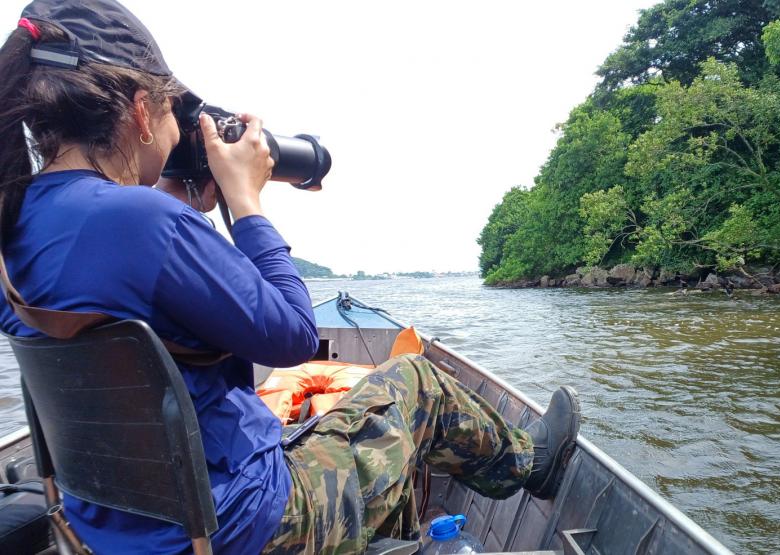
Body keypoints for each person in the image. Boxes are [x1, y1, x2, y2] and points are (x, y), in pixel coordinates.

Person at [0, 2, 581, 554]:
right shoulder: (144, 222)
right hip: (242, 527)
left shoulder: (16, 225)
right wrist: (246, 201)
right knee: (418, 382)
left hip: (110, 531)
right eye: (170, 116)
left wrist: (176, 200)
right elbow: (295, 336)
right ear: (137, 113)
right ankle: (533, 463)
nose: (179, 136)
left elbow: (122, 278)